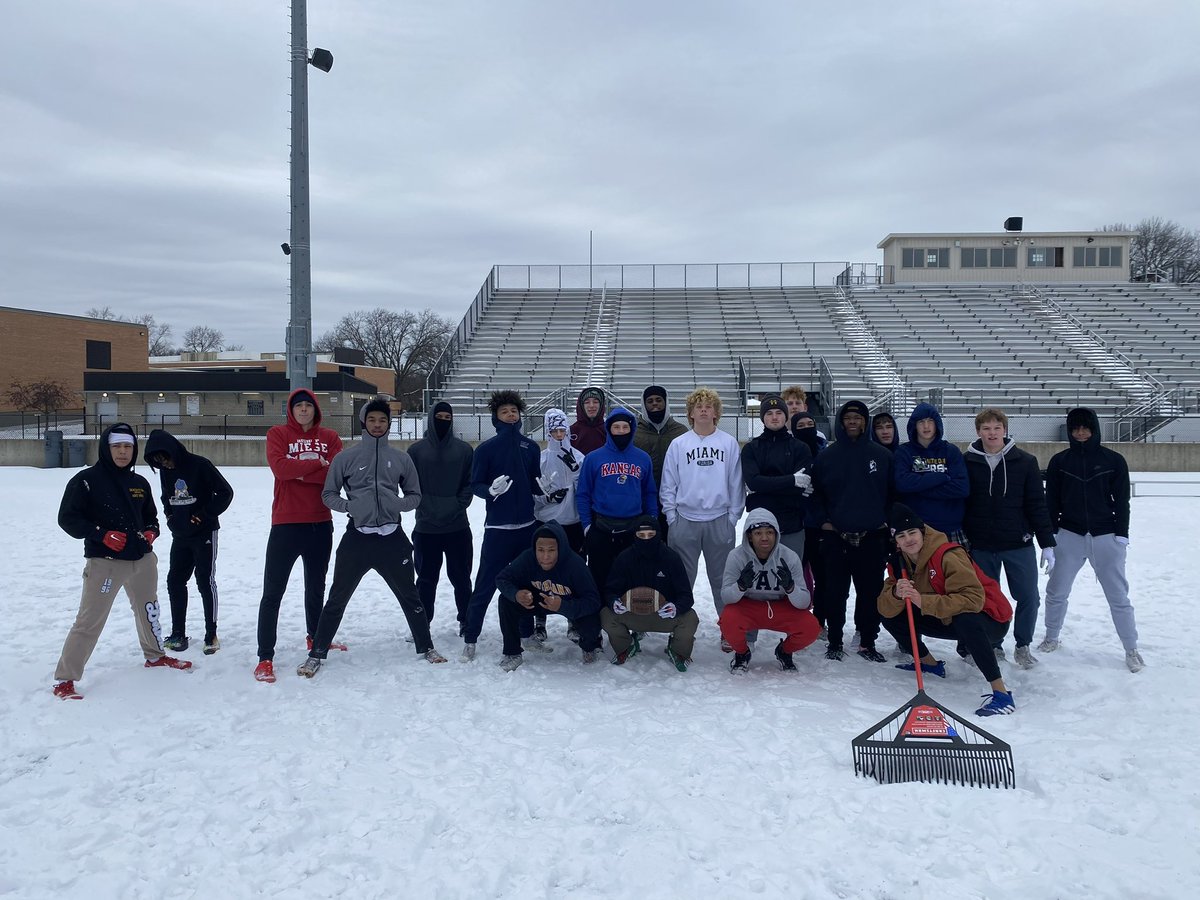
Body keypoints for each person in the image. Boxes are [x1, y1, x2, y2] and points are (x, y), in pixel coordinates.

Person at [294, 400, 446, 677]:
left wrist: (397, 504)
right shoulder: (346, 458)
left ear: (389, 424)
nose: (378, 425)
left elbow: (415, 495)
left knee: (410, 597)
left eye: (383, 420)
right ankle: (316, 654)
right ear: (364, 422)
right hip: (358, 539)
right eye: (373, 420)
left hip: (392, 538)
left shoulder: (401, 458)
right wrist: (350, 506)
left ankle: (427, 647)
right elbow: (329, 494)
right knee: (336, 599)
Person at [53, 424, 191, 699]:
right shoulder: (86, 480)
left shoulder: (139, 483)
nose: (123, 452)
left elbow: (151, 517)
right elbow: (67, 519)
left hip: (142, 560)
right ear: (106, 448)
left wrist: (151, 531)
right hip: (105, 563)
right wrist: (101, 534)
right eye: (116, 446)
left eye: (127, 447)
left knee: (149, 610)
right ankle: (65, 679)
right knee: (89, 620)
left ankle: (155, 655)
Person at [879, 503, 1015, 717]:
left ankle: (1001, 693)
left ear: (922, 532)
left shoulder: (947, 555)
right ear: (896, 541)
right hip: (947, 617)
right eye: (902, 536)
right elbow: (885, 608)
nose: (908, 539)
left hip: (990, 619)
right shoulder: (899, 562)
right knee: (891, 613)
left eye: (913, 532)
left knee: (966, 619)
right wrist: (896, 594)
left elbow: (972, 599)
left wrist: (923, 601)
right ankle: (930, 664)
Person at [1039, 408, 1144, 673]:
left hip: (1106, 536)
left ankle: (1131, 648)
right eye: (1075, 428)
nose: (1081, 433)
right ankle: (1051, 637)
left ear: (1095, 429)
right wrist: (1051, 535)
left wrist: (1122, 535)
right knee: (1056, 591)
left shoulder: (1113, 460)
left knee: (1118, 596)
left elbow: (1122, 501)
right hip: (1069, 535)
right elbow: (1051, 501)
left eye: (1086, 427)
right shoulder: (1060, 461)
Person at [254, 388, 343, 683]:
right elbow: (280, 469)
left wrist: (301, 472)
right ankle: (265, 657)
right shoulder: (277, 434)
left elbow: (334, 476)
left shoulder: (330, 437)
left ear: (315, 409)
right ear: (291, 410)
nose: (303, 410)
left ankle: (316, 637)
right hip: (286, 523)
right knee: (273, 593)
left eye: (308, 405)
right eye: (298, 406)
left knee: (316, 587)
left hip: (320, 523)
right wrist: (316, 464)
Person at [963, 407, 1055, 669]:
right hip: (981, 545)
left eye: (997, 428)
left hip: (1018, 543)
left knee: (1028, 596)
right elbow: (961, 502)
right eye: (986, 428)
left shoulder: (1025, 461)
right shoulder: (967, 461)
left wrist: (1047, 543)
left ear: (1005, 429)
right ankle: (993, 644)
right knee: (987, 598)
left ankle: (1023, 645)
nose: (992, 433)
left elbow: (1037, 504)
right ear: (978, 432)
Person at [461, 390, 542, 661]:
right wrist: (490, 491)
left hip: (527, 527)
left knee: (526, 583)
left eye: (514, 411)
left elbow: (535, 483)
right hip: (498, 529)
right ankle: (470, 637)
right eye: (504, 411)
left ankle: (526, 634)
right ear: (496, 417)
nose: (510, 415)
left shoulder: (531, 447)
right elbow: (475, 484)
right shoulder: (486, 449)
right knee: (485, 584)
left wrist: (546, 490)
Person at [809, 399, 893, 662]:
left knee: (870, 593)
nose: (853, 422)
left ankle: (867, 641)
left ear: (865, 422)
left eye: (858, 418)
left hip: (872, 536)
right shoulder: (827, 456)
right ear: (841, 422)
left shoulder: (882, 456)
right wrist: (824, 521)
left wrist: (886, 522)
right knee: (835, 593)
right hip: (837, 537)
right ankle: (835, 641)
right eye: (848, 418)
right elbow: (816, 494)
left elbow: (893, 494)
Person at [661, 387, 744, 641]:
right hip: (685, 520)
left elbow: (736, 482)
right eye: (699, 407)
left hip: (719, 519)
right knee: (682, 580)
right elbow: (668, 483)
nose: (704, 410)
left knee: (722, 580)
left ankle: (729, 630)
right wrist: (672, 517)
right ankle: (678, 631)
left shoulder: (728, 443)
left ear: (716, 413)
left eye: (709, 406)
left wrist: (733, 518)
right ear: (691, 413)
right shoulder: (679, 444)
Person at [144, 429, 235, 655]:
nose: (165, 464)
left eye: (165, 459)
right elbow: (166, 496)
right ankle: (178, 634)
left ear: (173, 450)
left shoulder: (200, 465)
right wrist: (170, 517)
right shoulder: (165, 471)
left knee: (205, 581)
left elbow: (225, 492)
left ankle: (211, 634)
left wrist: (204, 515)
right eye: (158, 462)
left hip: (204, 533)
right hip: (180, 535)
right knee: (175, 581)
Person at [576, 407, 658, 608]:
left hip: (632, 528)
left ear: (631, 429)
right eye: (616, 427)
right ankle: (599, 617)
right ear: (609, 429)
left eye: (624, 427)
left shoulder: (643, 458)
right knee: (599, 578)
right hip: (601, 527)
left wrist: (652, 520)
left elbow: (649, 493)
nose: (621, 431)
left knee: (631, 577)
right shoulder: (593, 458)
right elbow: (583, 494)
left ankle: (630, 617)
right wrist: (587, 526)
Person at [719, 510, 820, 673]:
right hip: (749, 607)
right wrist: (740, 585)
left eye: (769, 532)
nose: (765, 538)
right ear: (749, 536)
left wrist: (790, 587)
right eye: (758, 533)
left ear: (777, 534)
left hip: (780, 607)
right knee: (728, 620)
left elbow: (804, 602)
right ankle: (742, 653)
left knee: (811, 627)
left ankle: (784, 651)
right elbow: (726, 598)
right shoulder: (736, 556)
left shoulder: (789, 556)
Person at [494, 523, 603, 671]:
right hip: (537, 599)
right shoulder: (528, 558)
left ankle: (589, 647)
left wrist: (563, 606)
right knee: (506, 601)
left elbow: (593, 601)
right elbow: (502, 578)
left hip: (569, 601)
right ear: (535, 548)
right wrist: (516, 594)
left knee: (591, 619)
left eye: (551, 550)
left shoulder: (575, 564)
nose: (545, 556)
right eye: (540, 550)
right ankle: (512, 653)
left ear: (560, 548)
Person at [407, 401, 474, 634]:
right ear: (431, 418)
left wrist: (455, 505)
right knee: (425, 580)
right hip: (426, 528)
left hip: (458, 527)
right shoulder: (416, 451)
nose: (443, 421)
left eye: (447, 417)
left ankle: (467, 621)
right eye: (439, 417)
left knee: (462, 578)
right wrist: (427, 507)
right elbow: (410, 486)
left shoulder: (464, 450)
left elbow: (469, 484)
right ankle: (422, 623)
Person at [602, 515, 698, 671]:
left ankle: (678, 650)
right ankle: (626, 645)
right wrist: (614, 602)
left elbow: (686, 596)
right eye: (641, 535)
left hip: (663, 615)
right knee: (606, 615)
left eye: (650, 535)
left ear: (658, 534)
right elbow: (610, 590)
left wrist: (676, 607)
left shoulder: (671, 558)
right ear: (635, 536)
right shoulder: (624, 558)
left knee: (690, 618)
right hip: (633, 612)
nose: (646, 539)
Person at [532, 407, 587, 645]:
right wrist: (547, 498)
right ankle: (540, 619)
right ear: (547, 431)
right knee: (542, 571)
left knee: (573, 572)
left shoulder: (579, 457)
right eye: (554, 431)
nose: (558, 435)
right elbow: (534, 493)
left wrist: (576, 472)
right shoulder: (541, 459)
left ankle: (572, 620)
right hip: (548, 522)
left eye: (562, 430)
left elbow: (586, 489)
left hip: (573, 522)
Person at [893, 402, 969, 541]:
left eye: (930, 421)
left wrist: (918, 489)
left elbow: (961, 488)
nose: (926, 426)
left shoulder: (951, 451)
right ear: (914, 425)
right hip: (917, 528)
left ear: (937, 423)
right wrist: (941, 478)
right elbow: (902, 484)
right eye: (921, 422)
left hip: (950, 526)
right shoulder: (904, 452)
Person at [633, 385, 688, 542]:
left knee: (673, 546)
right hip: (643, 502)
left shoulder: (680, 432)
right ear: (644, 404)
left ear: (666, 402)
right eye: (650, 401)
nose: (655, 404)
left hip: (675, 502)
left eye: (659, 400)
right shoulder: (635, 432)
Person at [570, 386, 608, 455]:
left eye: (595, 402)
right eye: (587, 402)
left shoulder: (608, 430)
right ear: (581, 406)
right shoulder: (571, 431)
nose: (591, 405)